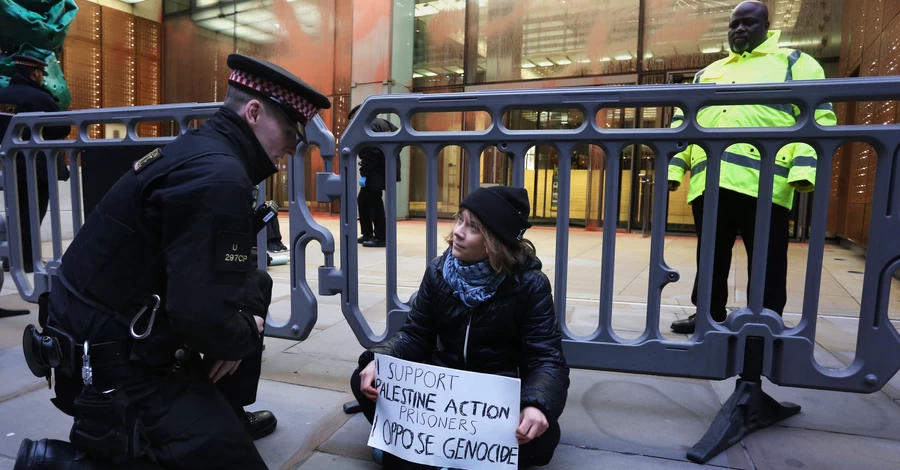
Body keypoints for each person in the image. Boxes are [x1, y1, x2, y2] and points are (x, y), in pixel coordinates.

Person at [16, 54, 330, 469]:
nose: (293, 146)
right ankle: (60, 462)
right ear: (253, 113)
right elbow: (199, 316)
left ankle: (221, 414)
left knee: (255, 286)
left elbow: (217, 276)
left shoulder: (204, 152)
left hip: (108, 331)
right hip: (110, 367)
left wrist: (236, 326)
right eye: (290, 131)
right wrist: (239, 334)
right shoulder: (218, 176)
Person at [350, 186, 570, 469]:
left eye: (473, 227)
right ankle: (438, 452)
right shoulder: (438, 271)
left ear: (496, 240)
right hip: (441, 398)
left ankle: (422, 454)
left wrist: (536, 404)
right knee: (364, 379)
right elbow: (416, 334)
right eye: (459, 220)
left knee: (544, 436)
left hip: (493, 402)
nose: (458, 232)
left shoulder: (529, 284)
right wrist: (381, 359)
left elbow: (546, 359)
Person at [667, 0, 836, 334]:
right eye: (734, 24)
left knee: (767, 258)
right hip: (710, 181)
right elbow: (682, 124)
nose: (739, 29)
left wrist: (803, 170)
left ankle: (765, 319)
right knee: (710, 255)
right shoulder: (707, 73)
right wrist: (675, 168)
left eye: (748, 22)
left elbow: (818, 117)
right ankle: (707, 315)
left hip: (765, 182)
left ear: (767, 26)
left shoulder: (795, 63)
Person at [0, 54, 71, 274]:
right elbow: (62, 127)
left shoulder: (3, 95)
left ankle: (12, 258)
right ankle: (28, 260)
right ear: (36, 73)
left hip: (10, 164)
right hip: (37, 166)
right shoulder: (40, 98)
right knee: (32, 213)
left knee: (14, 211)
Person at [349, 104, 399, 248]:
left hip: (376, 171)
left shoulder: (367, 125)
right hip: (387, 167)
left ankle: (381, 237)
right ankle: (368, 233)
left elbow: (370, 152)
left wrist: (364, 173)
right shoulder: (384, 123)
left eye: (353, 118)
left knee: (375, 202)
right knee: (364, 199)